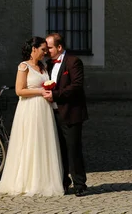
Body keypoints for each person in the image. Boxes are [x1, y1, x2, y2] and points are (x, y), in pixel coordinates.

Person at [0, 36, 64, 197]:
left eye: (46, 50)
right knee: (30, 141)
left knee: (44, 142)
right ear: (33, 49)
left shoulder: (43, 67)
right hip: (30, 108)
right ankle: (27, 180)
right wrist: (40, 91)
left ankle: (44, 180)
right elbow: (19, 90)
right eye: (43, 49)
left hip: (44, 110)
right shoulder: (23, 67)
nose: (45, 53)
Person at [43, 33, 89, 197]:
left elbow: (76, 86)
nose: (46, 51)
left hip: (70, 112)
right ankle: (63, 182)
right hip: (52, 113)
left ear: (59, 47)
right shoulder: (48, 64)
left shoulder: (73, 61)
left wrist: (55, 95)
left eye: (49, 47)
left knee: (73, 149)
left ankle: (79, 184)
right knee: (58, 150)